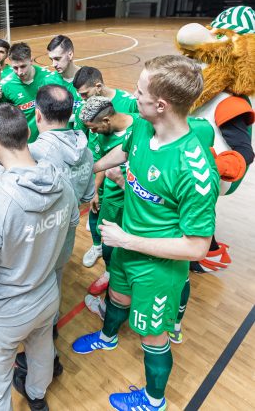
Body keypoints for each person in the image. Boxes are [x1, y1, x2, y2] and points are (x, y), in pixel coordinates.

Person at [72, 55, 220, 411]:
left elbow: (197, 247)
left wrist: (128, 240)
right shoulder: (140, 126)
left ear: (161, 104)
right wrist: (85, 170)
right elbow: (120, 156)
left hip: (157, 268)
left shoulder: (195, 170)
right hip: (126, 245)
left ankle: (154, 400)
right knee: (118, 299)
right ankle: (107, 338)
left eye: (139, 92)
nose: (131, 96)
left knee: (154, 335)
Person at [0, 104, 79, 411]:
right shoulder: (62, 182)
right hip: (46, 293)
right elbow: (72, 227)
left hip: (5, 311)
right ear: (28, 133)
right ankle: (37, 394)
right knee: (41, 352)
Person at [15, 85, 94, 376]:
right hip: (65, 238)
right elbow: (86, 196)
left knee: (33, 289)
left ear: (37, 114)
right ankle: (51, 327)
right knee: (56, 282)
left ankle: (39, 345)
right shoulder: (85, 150)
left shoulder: (33, 153)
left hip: (37, 239)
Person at [72, 66, 138, 270]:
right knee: (97, 213)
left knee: (124, 224)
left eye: (85, 93)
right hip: (100, 176)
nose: (82, 98)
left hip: (125, 186)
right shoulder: (87, 114)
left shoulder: (130, 108)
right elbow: (90, 146)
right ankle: (97, 247)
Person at [78, 96, 139, 315]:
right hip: (112, 200)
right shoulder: (101, 136)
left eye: (94, 128)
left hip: (138, 202)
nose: (92, 133)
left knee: (134, 245)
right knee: (109, 244)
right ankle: (110, 273)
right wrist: (95, 189)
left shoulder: (141, 125)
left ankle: (127, 286)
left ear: (106, 121)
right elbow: (102, 162)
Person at [0, 42, 68, 142]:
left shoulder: (49, 78)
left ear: (31, 61)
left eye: (23, 66)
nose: (19, 72)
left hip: (50, 140)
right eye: (15, 68)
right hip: (24, 142)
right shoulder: (5, 86)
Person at [47, 34, 83, 121]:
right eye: (51, 60)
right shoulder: (48, 82)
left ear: (70, 55)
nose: (54, 64)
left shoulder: (89, 77)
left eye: (57, 59)